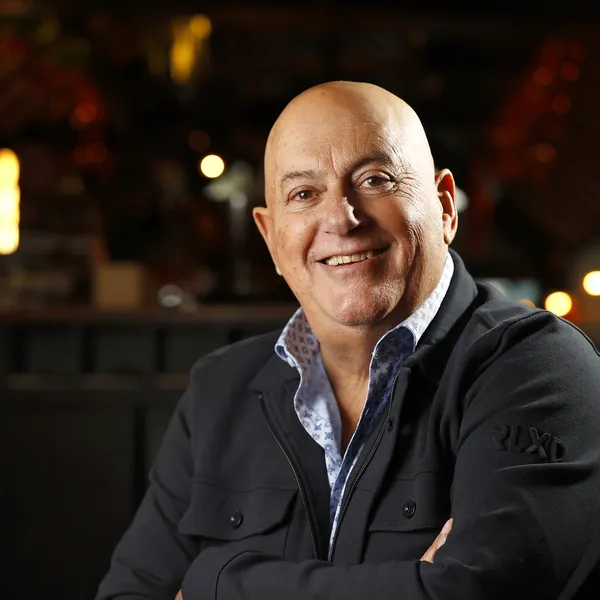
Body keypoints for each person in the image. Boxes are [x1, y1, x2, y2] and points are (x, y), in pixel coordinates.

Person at [95, 81, 600, 600]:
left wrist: (216, 584)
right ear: (270, 238)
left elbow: (474, 594)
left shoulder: (539, 369)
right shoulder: (219, 389)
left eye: (375, 179)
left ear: (445, 206)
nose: (341, 217)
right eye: (304, 194)